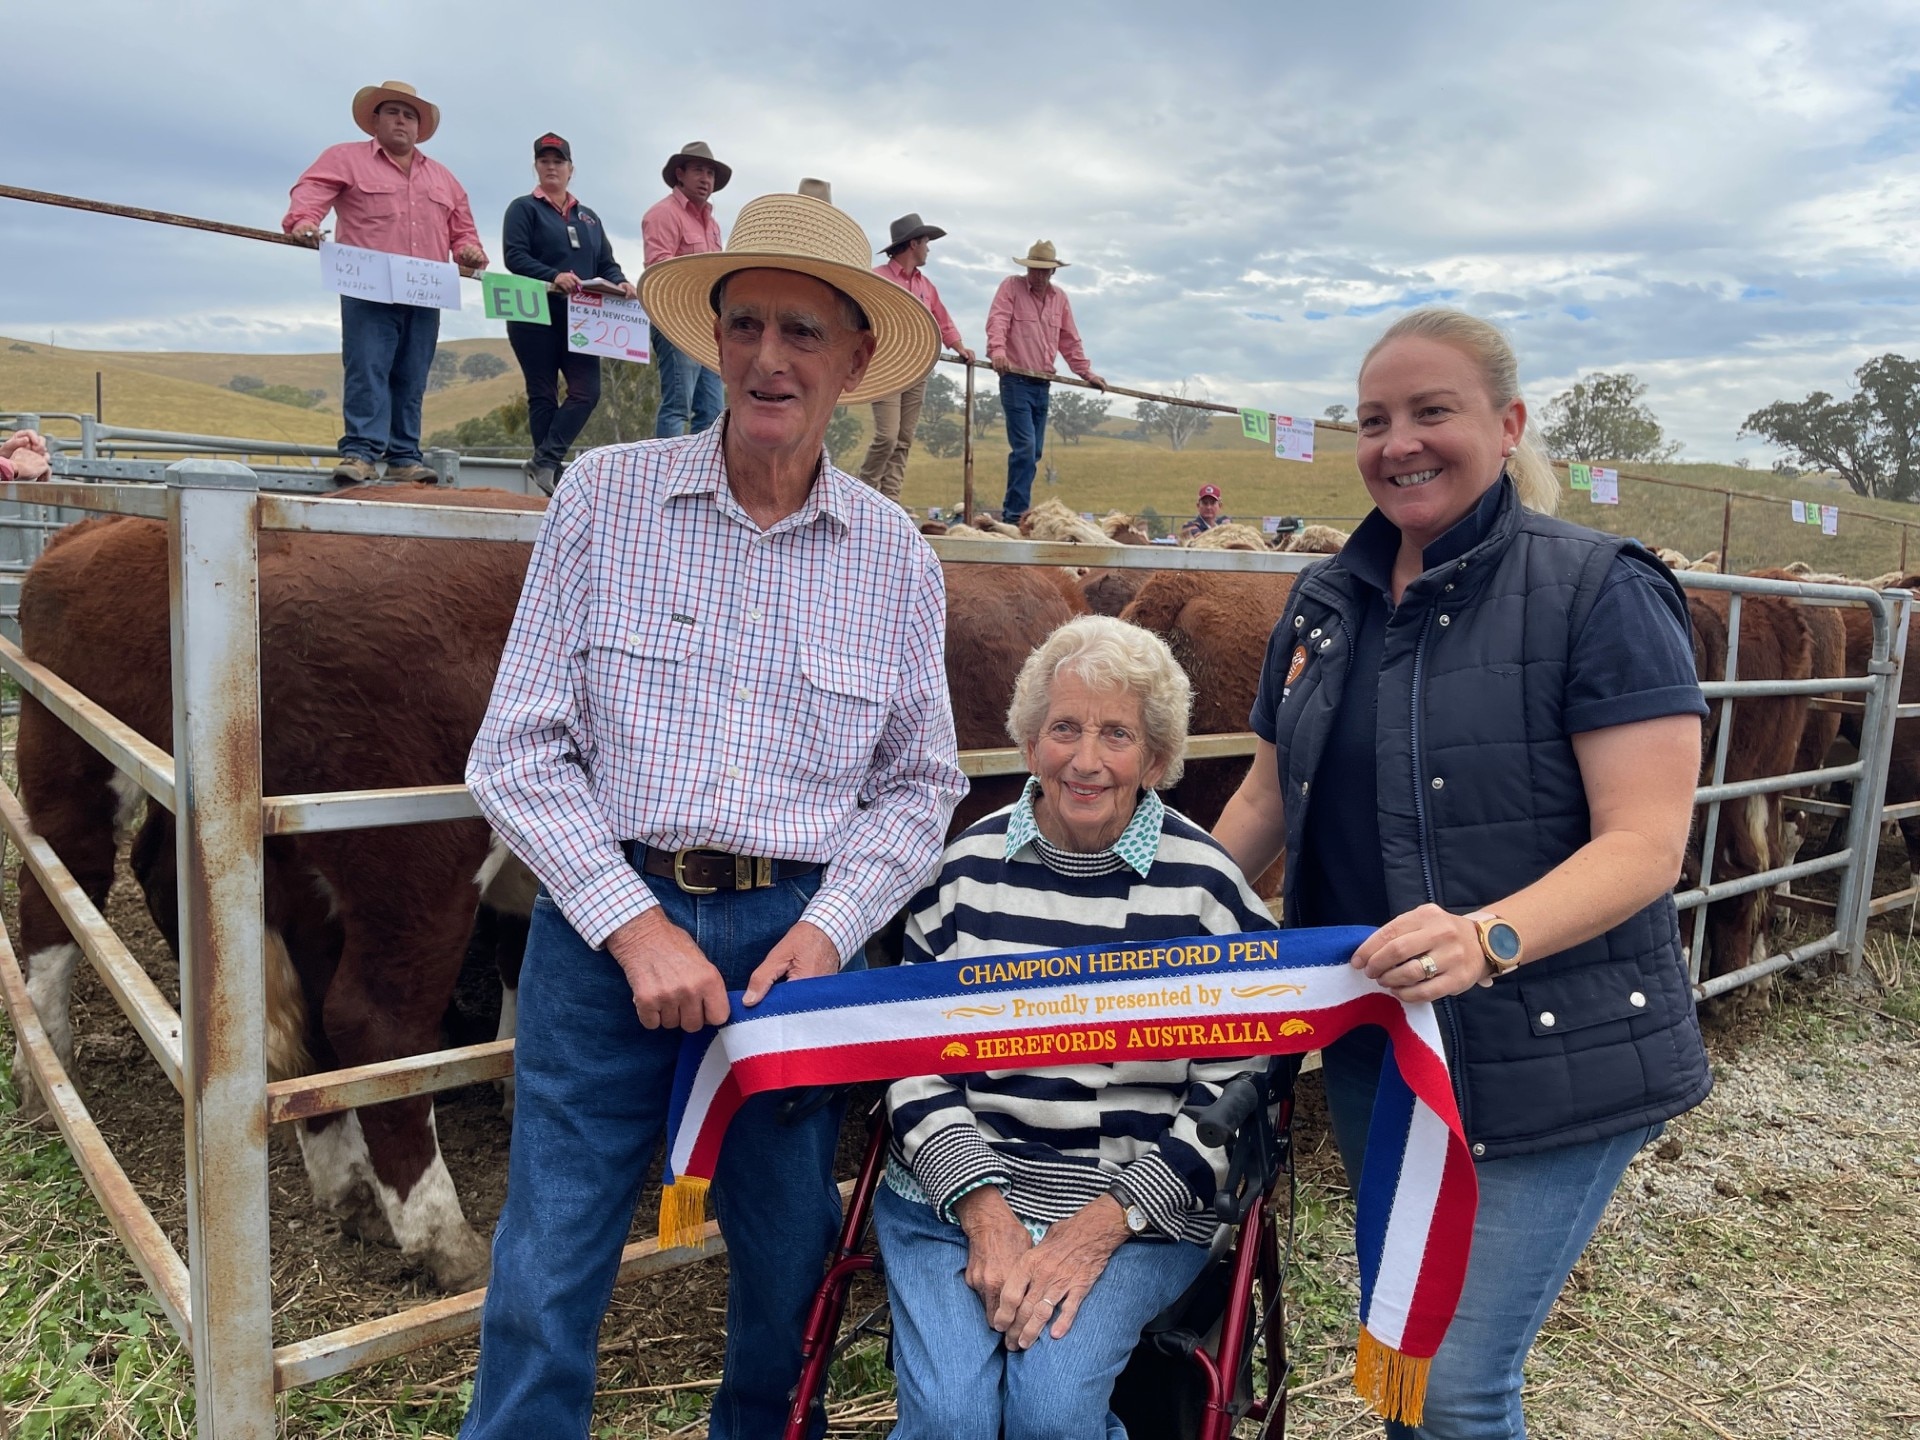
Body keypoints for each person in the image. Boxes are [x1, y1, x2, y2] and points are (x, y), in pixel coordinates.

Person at [459, 192, 966, 1440]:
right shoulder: (604, 499)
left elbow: (919, 784)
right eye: (746, 325)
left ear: (853, 362)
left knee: (788, 1258)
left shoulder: (897, 555)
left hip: (790, 942)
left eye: (803, 331)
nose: (769, 357)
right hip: (604, 923)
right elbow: (516, 747)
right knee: (551, 1252)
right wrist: (634, 928)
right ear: (715, 341)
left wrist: (838, 927)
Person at [1212, 308, 1712, 1439]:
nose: (1400, 443)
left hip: (1543, 1045)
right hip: (1381, 1041)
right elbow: (1257, 802)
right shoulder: (1325, 601)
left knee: (1449, 1381)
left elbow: (1644, 842)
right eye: (1376, 419)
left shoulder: (1599, 590)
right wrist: (1113, 887)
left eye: (1433, 412)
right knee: (1406, 1353)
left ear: (1509, 423)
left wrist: (1486, 937)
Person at [881, 614, 1279, 1440]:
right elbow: (912, 1055)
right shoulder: (963, 871)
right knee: (952, 1418)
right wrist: (983, 1208)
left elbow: (1235, 1087)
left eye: (1117, 734)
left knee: (1053, 1414)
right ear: (1030, 742)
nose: (1086, 759)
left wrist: (1102, 1226)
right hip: (954, 1195)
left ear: (1159, 758)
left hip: (1129, 1211)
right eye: (1064, 728)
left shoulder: (1205, 890)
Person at [283, 80, 487, 486]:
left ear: (419, 127)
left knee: (412, 374)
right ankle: (361, 452)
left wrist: (469, 251)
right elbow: (311, 192)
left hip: (426, 288)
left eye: (409, 115)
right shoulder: (345, 158)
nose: (401, 121)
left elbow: (463, 230)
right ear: (374, 120)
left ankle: (404, 455)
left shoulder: (444, 179)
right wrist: (305, 221)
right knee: (368, 366)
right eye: (393, 112)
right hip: (367, 286)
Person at [500, 132, 634, 494]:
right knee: (542, 392)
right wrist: (552, 275)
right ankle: (550, 471)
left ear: (571, 169)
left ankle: (544, 460)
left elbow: (606, 263)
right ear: (536, 167)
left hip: (584, 316)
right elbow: (514, 256)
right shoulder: (522, 208)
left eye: (558, 162)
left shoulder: (589, 218)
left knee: (586, 391)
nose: (551, 167)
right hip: (535, 311)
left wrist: (622, 283)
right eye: (544, 161)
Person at [858, 214, 975, 507]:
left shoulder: (926, 286)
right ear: (913, 244)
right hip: (886, 366)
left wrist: (959, 346)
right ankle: (863, 495)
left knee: (904, 440)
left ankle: (890, 504)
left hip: (918, 367)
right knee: (887, 436)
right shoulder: (878, 277)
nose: (929, 249)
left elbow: (942, 319)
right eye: (926, 243)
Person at [985, 241, 1107, 524]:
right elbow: (998, 320)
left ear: (1053, 272)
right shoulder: (1011, 287)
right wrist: (998, 351)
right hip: (1015, 378)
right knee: (1025, 448)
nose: (1038, 275)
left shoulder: (1059, 299)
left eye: (1044, 271)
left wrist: (1086, 372)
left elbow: (1069, 339)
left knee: (1034, 451)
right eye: (1034, 269)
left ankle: (1015, 510)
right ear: (1027, 268)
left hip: (1042, 383)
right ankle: (1015, 515)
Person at [641, 141, 730, 438]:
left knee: (713, 411)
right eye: (698, 171)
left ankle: (702, 478)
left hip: (706, 323)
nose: (706, 179)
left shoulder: (712, 224)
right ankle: (666, 478)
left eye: (710, 173)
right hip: (676, 319)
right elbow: (659, 267)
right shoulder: (663, 214)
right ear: (680, 174)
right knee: (678, 404)